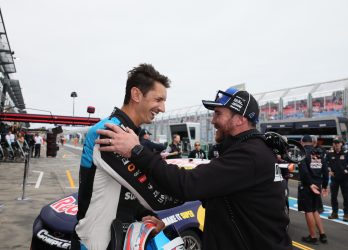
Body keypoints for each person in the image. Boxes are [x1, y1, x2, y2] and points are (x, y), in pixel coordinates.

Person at [97, 86, 292, 250]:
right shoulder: (250, 151)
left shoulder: (250, 156)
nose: (213, 120)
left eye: (218, 114)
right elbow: (207, 195)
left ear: (239, 119)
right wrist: (158, 220)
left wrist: (136, 151)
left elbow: (186, 184)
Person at [72, 64, 179, 250]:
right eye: (158, 99)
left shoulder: (130, 136)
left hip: (121, 239)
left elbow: (127, 191)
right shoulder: (110, 131)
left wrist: (147, 215)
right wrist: (202, 189)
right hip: (95, 244)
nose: (162, 108)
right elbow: (155, 196)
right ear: (136, 95)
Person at [298, 135, 328, 244]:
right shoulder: (318, 153)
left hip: (307, 185)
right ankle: (322, 235)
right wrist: (324, 186)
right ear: (312, 142)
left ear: (302, 142)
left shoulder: (302, 153)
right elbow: (325, 170)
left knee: (308, 210)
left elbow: (304, 171)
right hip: (318, 184)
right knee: (315, 209)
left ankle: (313, 236)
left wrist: (310, 184)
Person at [326, 137, 348, 222]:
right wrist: (329, 170)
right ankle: (334, 213)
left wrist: (347, 170)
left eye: (338, 143)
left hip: (345, 179)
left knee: (346, 197)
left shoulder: (347, 153)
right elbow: (326, 163)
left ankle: (346, 214)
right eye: (335, 143)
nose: (336, 144)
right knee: (333, 197)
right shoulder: (330, 153)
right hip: (334, 178)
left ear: (341, 143)